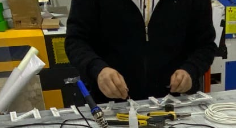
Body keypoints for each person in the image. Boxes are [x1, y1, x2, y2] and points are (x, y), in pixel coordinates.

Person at [65, 0, 217, 102]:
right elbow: (76, 41)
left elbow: (206, 45)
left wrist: (191, 70)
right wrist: (98, 69)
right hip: (111, 106)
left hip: (174, 104)